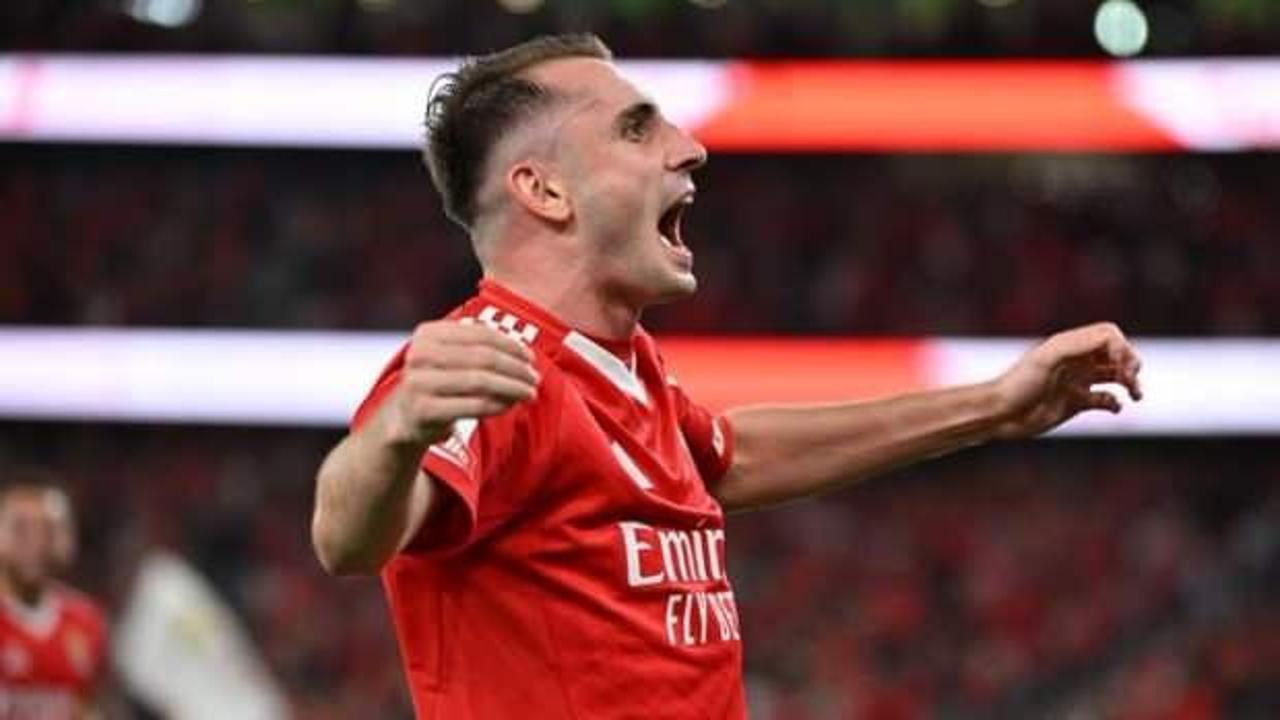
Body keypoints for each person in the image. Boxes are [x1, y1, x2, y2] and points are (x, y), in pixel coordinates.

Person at [310, 34, 1143, 718]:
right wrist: (396, 432)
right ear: (545, 190)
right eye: (636, 130)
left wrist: (994, 406)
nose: (691, 146)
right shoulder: (497, 365)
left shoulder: (624, 367)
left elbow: (729, 457)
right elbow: (346, 536)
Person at [0, 472, 109, 719]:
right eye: (20, 529)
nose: (35, 543)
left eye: (48, 530)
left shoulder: (86, 620)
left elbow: (85, 707)